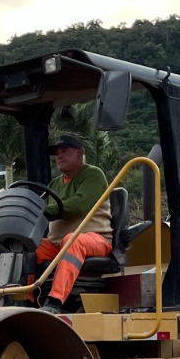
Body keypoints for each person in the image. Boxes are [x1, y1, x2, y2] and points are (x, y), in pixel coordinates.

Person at [37, 134, 112, 313]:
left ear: (80, 154)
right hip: (58, 244)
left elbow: (79, 205)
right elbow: (42, 206)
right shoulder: (55, 183)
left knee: (73, 240)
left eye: (64, 151)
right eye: (57, 153)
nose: (59, 156)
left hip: (96, 240)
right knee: (31, 247)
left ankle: (54, 302)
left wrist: (43, 211)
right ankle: (26, 299)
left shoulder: (92, 175)